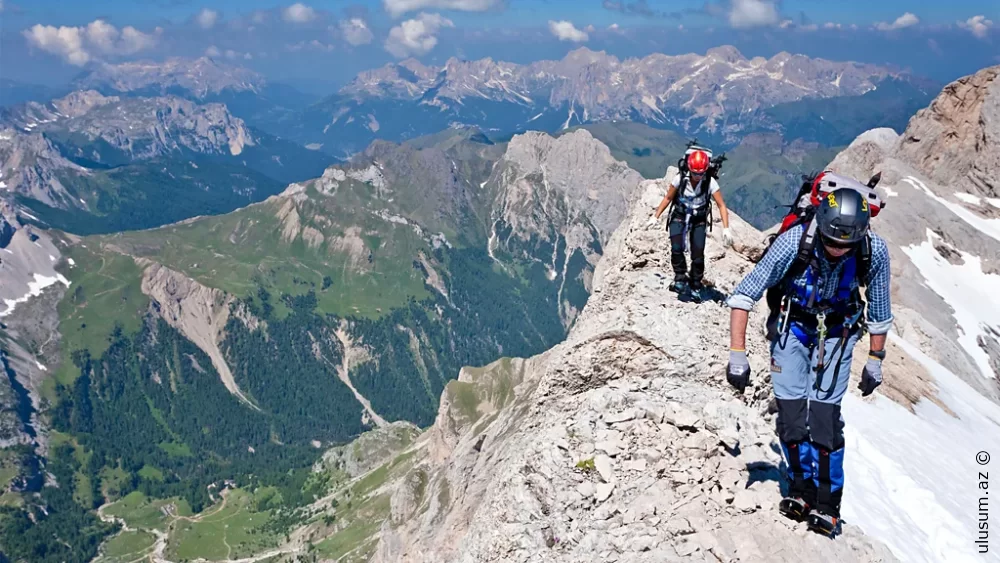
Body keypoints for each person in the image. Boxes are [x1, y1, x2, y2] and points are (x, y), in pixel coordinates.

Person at [723, 187, 892, 537]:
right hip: (793, 329)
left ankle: (827, 505)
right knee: (791, 416)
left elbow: (879, 310)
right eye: (832, 241)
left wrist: (875, 359)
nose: (837, 250)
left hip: (838, 333)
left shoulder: (873, 251)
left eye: (846, 244)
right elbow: (743, 295)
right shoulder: (793, 243)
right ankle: (801, 490)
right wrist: (737, 355)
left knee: (825, 420)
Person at [646, 149, 734, 296]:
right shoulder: (679, 179)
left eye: (701, 173)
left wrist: (726, 228)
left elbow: (721, 205)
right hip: (680, 215)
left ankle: (695, 285)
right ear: (689, 169)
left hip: (698, 219)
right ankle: (680, 279)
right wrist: (656, 216)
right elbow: (668, 198)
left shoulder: (709, 182)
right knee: (676, 247)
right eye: (695, 173)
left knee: (698, 254)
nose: (698, 176)